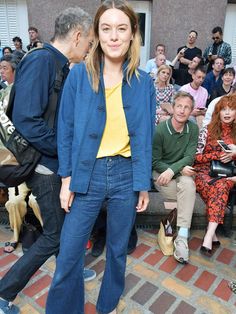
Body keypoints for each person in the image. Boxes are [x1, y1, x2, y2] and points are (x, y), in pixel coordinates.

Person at [46, 1, 155, 313]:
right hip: (86, 175)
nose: (114, 36)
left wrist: (142, 182)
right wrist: (66, 178)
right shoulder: (79, 76)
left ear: (133, 34)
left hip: (125, 176)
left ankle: (107, 305)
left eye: (122, 28)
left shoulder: (143, 82)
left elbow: (146, 134)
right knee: (68, 254)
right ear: (96, 34)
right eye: (106, 29)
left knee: (118, 251)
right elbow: (65, 129)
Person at [0, 7, 95, 314]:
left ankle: (70, 271)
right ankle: (4, 294)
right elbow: (27, 120)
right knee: (55, 234)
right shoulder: (43, 60)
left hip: (52, 163)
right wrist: (65, 151)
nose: (91, 47)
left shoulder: (59, 64)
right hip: (44, 166)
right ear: (78, 35)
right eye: (90, 41)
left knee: (65, 228)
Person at [153, 91, 199, 264]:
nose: (182, 110)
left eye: (187, 107)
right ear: (172, 108)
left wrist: (173, 171)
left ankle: (182, 237)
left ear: (191, 111)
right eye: (179, 106)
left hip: (176, 173)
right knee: (188, 194)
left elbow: (189, 157)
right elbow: (155, 161)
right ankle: (171, 226)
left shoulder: (193, 128)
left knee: (188, 184)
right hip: (161, 173)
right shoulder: (160, 130)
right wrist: (173, 171)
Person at [194, 95, 236, 257]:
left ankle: (208, 236)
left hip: (228, 174)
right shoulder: (207, 130)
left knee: (221, 185)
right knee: (218, 187)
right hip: (205, 171)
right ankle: (211, 233)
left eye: (231, 109)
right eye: (223, 109)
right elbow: (195, 158)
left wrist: (233, 155)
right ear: (217, 112)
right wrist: (215, 156)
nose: (227, 113)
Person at [4, 183, 43, 253]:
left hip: (40, 176)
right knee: (14, 202)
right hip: (19, 178)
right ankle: (15, 235)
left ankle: (49, 232)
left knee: (35, 201)